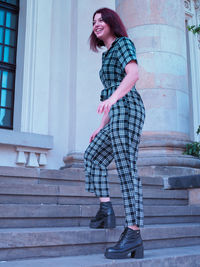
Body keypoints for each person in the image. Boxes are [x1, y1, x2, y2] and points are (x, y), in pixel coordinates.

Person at [84, 7, 145, 259]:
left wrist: (113, 99)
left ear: (111, 22)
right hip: (116, 112)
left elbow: (133, 74)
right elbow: (111, 93)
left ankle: (133, 233)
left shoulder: (123, 44)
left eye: (101, 20)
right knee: (92, 156)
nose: (96, 24)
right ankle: (106, 209)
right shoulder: (106, 54)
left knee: (125, 168)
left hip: (128, 108)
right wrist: (101, 126)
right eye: (94, 21)